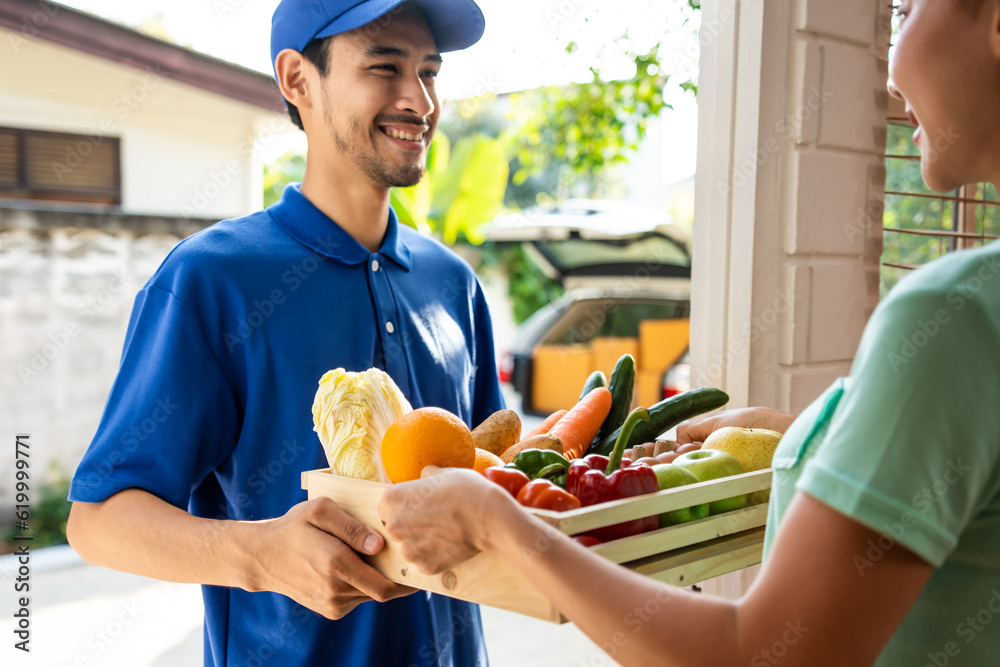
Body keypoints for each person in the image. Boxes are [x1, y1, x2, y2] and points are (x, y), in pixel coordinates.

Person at [379, 1, 1000, 664]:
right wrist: (813, 433)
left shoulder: (953, 311)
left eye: (905, 8)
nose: (891, 66)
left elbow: (757, 654)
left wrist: (491, 518)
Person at [66, 1, 504, 665]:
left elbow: (492, 483)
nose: (418, 99)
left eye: (430, 72)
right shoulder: (212, 280)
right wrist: (260, 553)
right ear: (297, 79)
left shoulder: (454, 284)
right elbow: (98, 520)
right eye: (385, 67)